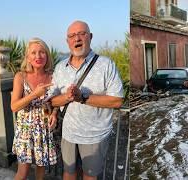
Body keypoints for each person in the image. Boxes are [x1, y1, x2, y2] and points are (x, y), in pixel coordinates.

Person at [48, 20, 123, 180]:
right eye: (72, 35)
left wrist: (82, 97)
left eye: (82, 33)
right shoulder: (60, 67)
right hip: (68, 134)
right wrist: (67, 97)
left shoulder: (106, 65)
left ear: (90, 37)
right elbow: (51, 101)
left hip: (95, 137)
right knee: (68, 172)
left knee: (90, 176)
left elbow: (117, 101)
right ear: (67, 41)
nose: (77, 38)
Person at [11, 38, 58, 180]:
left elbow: (55, 102)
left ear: (47, 55)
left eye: (42, 52)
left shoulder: (53, 76)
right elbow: (14, 106)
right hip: (25, 131)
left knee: (41, 171)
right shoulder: (21, 76)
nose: (38, 56)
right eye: (33, 53)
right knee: (23, 172)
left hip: (44, 129)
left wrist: (54, 113)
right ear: (28, 57)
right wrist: (34, 94)